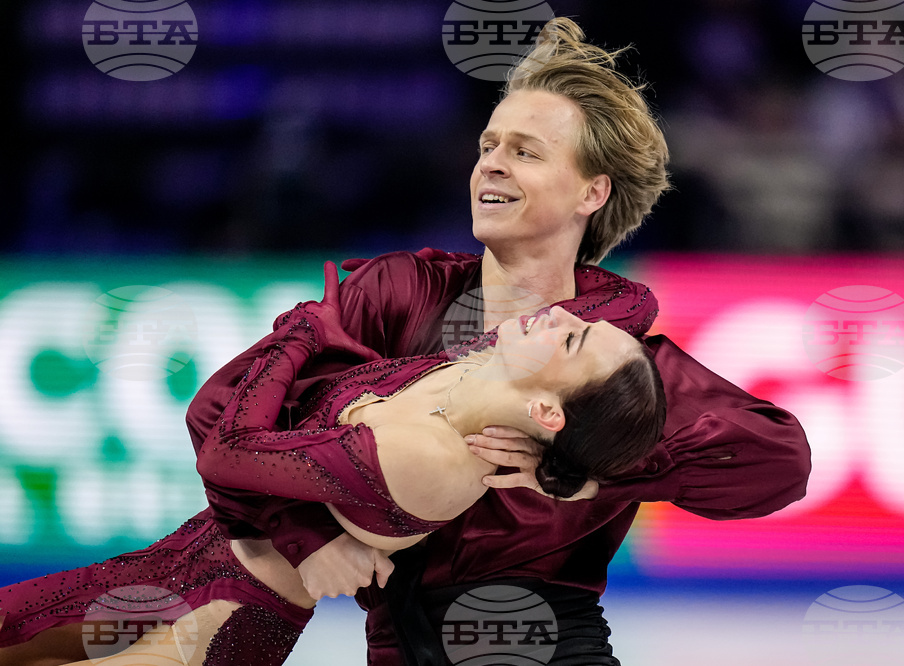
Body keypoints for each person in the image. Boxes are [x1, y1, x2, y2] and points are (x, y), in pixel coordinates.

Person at [182, 17, 811, 666]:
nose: (492, 164)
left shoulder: (620, 365)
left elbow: (781, 464)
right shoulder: (396, 292)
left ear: (592, 192)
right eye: (490, 144)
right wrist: (306, 535)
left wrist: (582, 473)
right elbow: (218, 410)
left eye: (527, 151)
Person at [0, 262, 666, 666]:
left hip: (222, 619)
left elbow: (224, 449)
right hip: (175, 565)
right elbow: (634, 301)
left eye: (571, 336)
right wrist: (573, 472)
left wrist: (303, 333)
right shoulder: (489, 366)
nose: (555, 318)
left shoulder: (430, 457)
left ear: (549, 412)